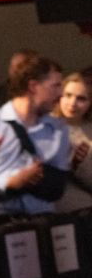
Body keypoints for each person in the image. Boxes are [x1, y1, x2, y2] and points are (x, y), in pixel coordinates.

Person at [0, 54, 69, 228]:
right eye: (55, 86)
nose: (61, 93)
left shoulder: (57, 129)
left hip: (41, 220)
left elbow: (57, 187)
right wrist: (10, 183)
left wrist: (39, 179)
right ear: (33, 86)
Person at [53, 70, 92, 212]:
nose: (72, 103)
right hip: (52, 212)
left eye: (81, 98)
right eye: (67, 95)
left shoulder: (89, 130)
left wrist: (79, 164)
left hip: (85, 210)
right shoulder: (46, 126)